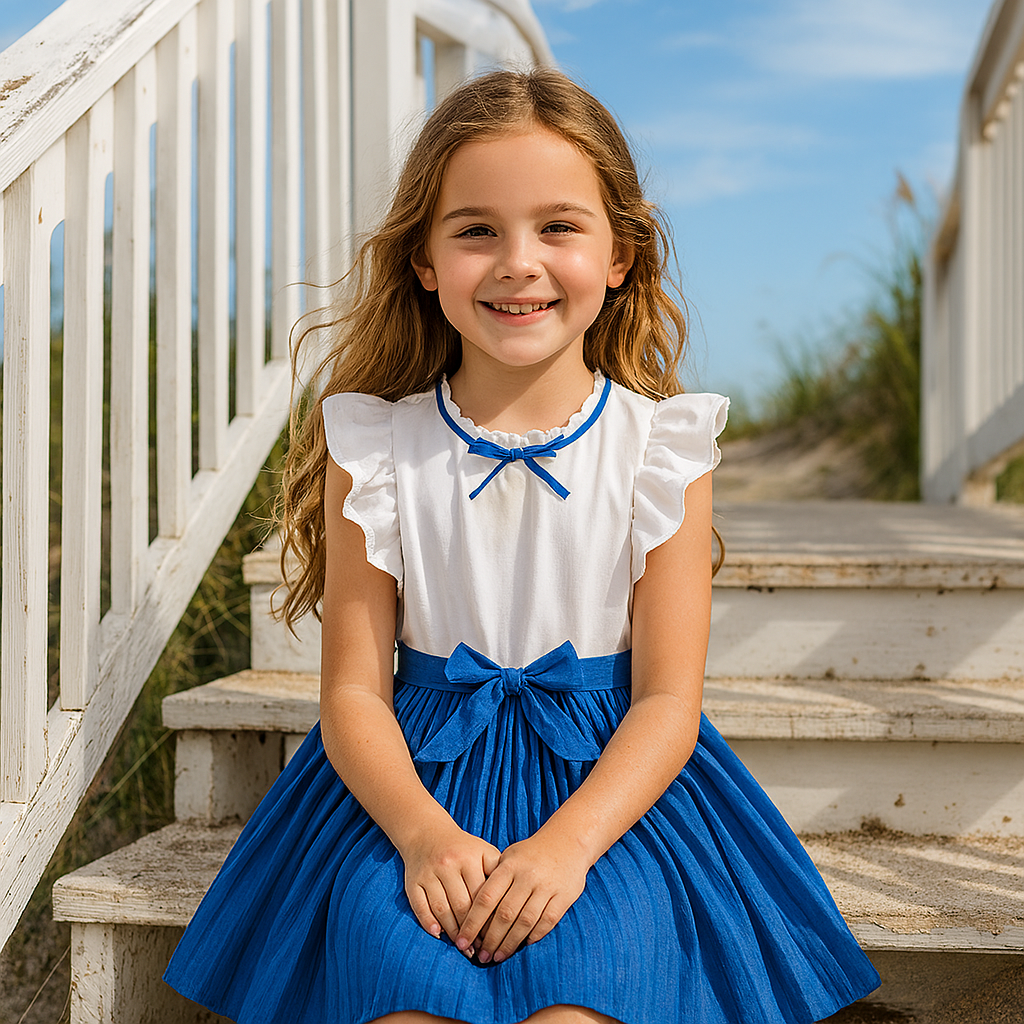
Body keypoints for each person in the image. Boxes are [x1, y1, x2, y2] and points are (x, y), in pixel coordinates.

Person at [164, 68, 880, 1024]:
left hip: (606, 799)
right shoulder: (376, 447)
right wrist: (421, 836)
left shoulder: (660, 448)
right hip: (413, 789)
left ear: (620, 255)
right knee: (406, 1001)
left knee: (580, 1004)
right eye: (476, 231)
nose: (517, 262)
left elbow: (668, 701)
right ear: (423, 261)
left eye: (558, 227)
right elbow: (352, 695)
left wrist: (567, 847)